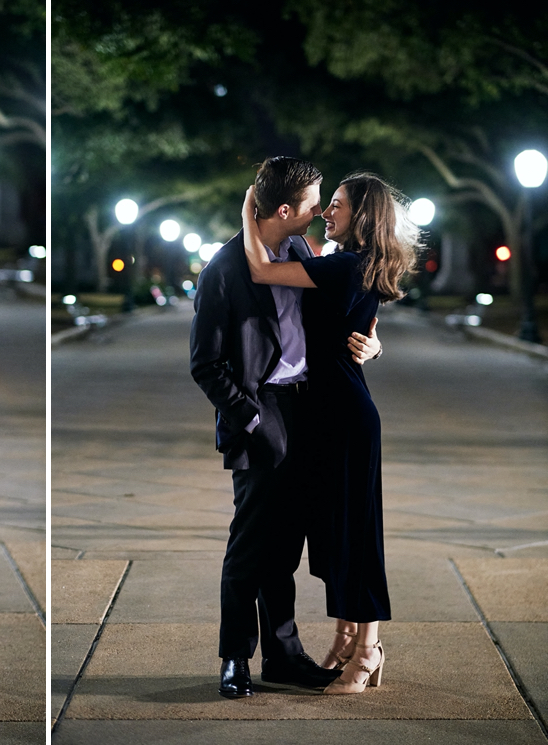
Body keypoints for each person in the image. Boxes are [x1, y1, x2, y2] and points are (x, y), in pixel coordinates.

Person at [189, 156, 383, 699]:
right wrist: (251, 419)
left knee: (286, 548)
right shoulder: (225, 269)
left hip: (310, 410)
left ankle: (284, 655)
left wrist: (372, 341)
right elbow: (205, 365)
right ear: (283, 209)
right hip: (260, 412)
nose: (322, 211)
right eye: (315, 203)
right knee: (250, 545)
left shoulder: (303, 251)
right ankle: (234, 658)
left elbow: (352, 303)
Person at [239, 172, 417, 695]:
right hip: (327, 413)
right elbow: (366, 331)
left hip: (344, 417)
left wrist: (252, 206)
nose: (326, 212)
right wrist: (375, 348)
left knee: (356, 535)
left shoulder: (344, 264)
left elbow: (257, 267)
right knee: (335, 534)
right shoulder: (351, 263)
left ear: (361, 214)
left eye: (335, 205)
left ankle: (368, 650)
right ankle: (344, 639)